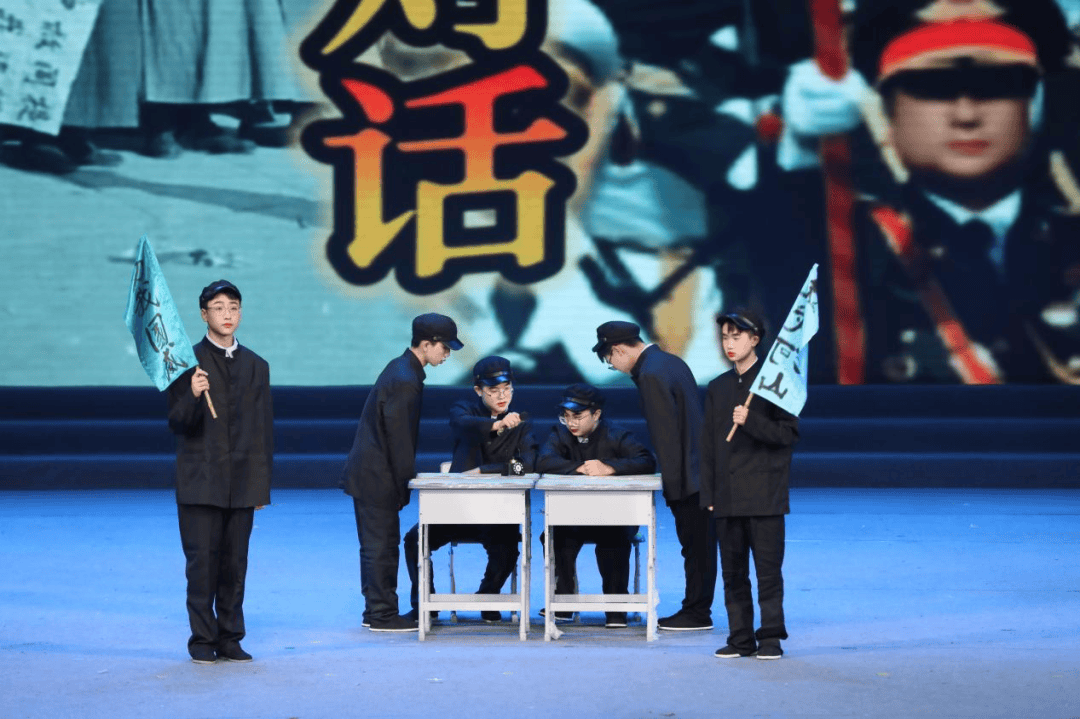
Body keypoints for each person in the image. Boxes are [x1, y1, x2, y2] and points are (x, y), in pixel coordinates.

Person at [781, 0, 1080, 383]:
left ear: (1032, 106)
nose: (966, 116)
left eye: (998, 85)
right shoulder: (845, 248)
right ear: (887, 111)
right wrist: (798, 152)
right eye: (932, 88)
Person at [166, 280, 273, 664]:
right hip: (201, 483)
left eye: (233, 307)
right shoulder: (186, 362)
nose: (227, 314)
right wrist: (193, 395)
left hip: (242, 484)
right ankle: (202, 640)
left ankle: (230, 638)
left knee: (235, 566)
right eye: (218, 307)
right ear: (204, 314)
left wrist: (260, 487)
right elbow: (177, 422)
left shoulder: (257, 365)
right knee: (202, 566)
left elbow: (263, 430)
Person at [342, 313, 463, 632]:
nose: (447, 354)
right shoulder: (406, 379)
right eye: (445, 347)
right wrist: (402, 485)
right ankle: (382, 614)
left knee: (375, 546)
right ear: (427, 344)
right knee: (381, 546)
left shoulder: (402, 370)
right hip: (377, 474)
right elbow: (399, 439)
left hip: (370, 471)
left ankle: (375, 610)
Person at [592, 320, 716, 630]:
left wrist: (672, 487)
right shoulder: (670, 361)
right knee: (701, 546)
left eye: (609, 360)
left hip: (687, 475)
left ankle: (697, 612)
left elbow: (667, 436)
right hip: (700, 467)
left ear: (619, 350)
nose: (614, 367)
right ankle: (698, 609)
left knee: (696, 547)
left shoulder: (649, 374)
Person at [403, 356, 538, 623]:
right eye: (493, 391)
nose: (502, 396)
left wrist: (486, 470)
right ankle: (424, 603)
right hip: (457, 508)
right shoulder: (463, 411)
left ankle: (488, 595)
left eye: (507, 389)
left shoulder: (520, 423)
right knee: (414, 540)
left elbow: (528, 465)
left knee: (508, 547)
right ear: (478, 390)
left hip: (498, 511)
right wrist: (497, 424)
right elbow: (462, 425)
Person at [701, 309, 798, 660]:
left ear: (755, 339)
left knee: (768, 573)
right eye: (725, 337)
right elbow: (708, 445)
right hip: (726, 496)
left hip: (764, 495)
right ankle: (740, 638)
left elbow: (788, 436)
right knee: (733, 573)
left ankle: (770, 639)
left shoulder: (776, 382)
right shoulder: (718, 387)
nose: (729, 343)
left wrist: (751, 420)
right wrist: (709, 492)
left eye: (737, 336)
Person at [537, 383, 656, 627]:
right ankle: (564, 600)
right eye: (566, 416)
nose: (571, 423)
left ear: (597, 414)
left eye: (577, 416)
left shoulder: (617, 435)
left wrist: (610, 467)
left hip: (615, 515)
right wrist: (579, 467)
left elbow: (646, 461)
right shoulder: (560, 434)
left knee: (614, 539)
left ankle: (616, 608)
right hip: (574, 516)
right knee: (555, 536)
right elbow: (543, 461)